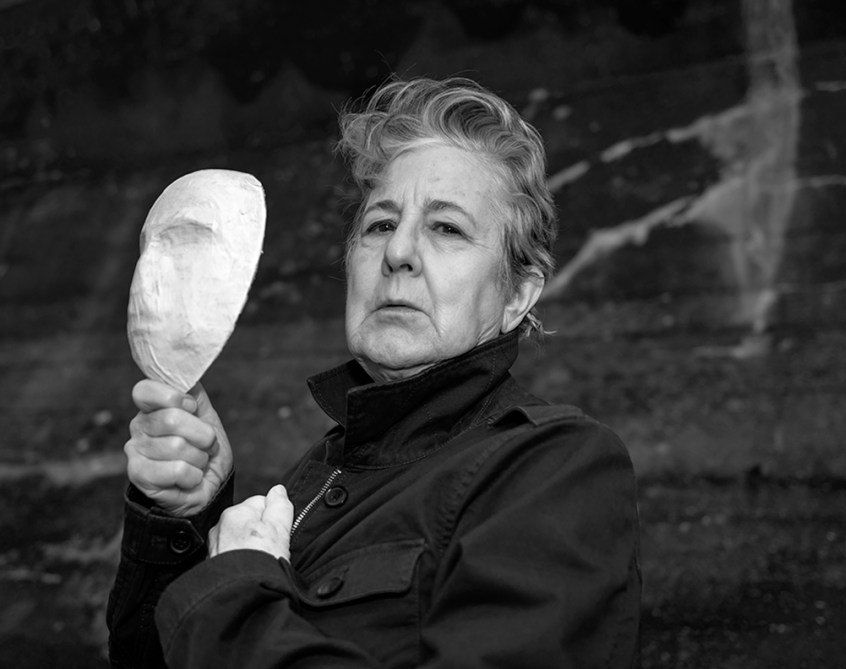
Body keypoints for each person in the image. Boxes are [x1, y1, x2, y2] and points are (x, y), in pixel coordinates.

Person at [107, 77, 641, 668]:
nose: (398, 253)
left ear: (517, 295)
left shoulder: (555, 465)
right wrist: (186, 520)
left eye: (447, 228)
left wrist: (236, 592)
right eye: (381, 225)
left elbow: (231, 624)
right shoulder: (320, 472)